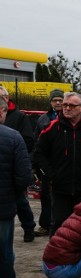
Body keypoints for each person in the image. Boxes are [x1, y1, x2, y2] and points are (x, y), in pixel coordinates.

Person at [34, 92, 81, 237]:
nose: (67, 108)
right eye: (65, 105)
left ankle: (80, 258)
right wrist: (51, 175)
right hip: (59, 189)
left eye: (71, 105)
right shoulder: (51, 128)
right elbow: (39, 154)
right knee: (59, 226)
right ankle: (56, 258)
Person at [0, 96, 31, 278]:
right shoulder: (12, 137)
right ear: (2, 112)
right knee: (3, 251)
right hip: (3, 205)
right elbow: (24, 176)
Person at [0, 85, 36, 243]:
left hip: (14, 168)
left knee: (22, 202)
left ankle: (29, 227)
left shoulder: (19, 117)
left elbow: (28, 140)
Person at [33, 89, 64, 237]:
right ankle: (45, 224)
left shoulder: (69, 117)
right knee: (45, 194)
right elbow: (36, 142)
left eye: (60, 100)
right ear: (50, 102)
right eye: (55, 100)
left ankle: (62, 225)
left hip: (64, 163)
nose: (57, 103)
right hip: (46, 164)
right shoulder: (43, 119)